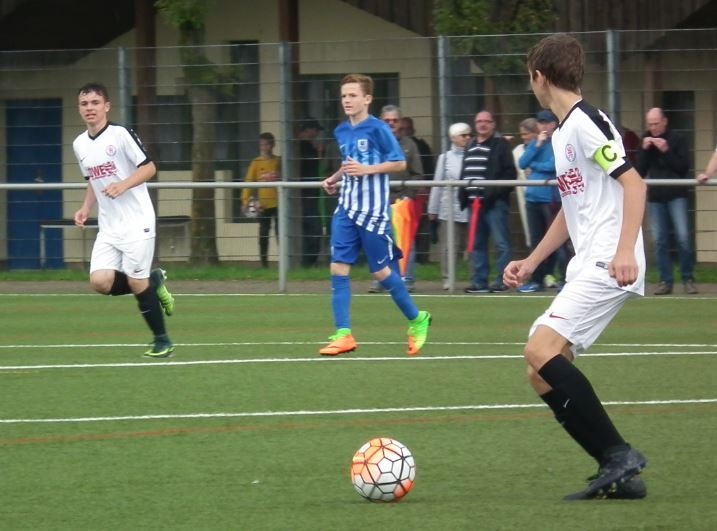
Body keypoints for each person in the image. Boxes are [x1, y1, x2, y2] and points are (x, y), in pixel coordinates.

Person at [503, 33, 648, 501]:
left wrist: (625, 251)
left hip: (608, 260)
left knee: (538, 348)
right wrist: (532, 261)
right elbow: (571, 209)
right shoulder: (564, 132)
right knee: (541, 370)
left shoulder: (586, 123)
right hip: (591, 261)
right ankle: (616, 467)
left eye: (530, 77)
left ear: (540, 77)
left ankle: (619, 454)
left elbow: (634, 185)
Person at [319, 73, 431, 357]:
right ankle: (343, 334)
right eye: (344, 95)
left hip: (372, 212)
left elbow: (399, 163)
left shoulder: (378, 129)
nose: (347, 100)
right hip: (346, 208)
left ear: (367, 99)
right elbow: (349, 163)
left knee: (381, 272)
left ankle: (417, 318)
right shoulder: (341, 131)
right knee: (338, 268)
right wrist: (334, 178)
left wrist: (368, 170)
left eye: (353, 95)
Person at [72, 82, 175, 358]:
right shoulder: (80, 144)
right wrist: (85, 208)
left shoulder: (120, 135)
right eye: (84, 104)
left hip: (137, 221)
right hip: (109, 225)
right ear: (79, 109)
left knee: (136, 282)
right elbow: (92, 180)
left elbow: (149, 168)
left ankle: (162, 340)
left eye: (95, 103)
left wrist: (123, 185)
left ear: (106, 106)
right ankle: (153, 282)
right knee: (100, 282)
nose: (90, 108)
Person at [635, 107, 697, 295]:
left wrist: (666, 150)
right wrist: (644, 150)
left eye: (656, 124)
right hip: (655, 197)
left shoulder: (677, 139)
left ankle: (687, 279)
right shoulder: (645, 139)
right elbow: (639, 171)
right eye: (650, 124)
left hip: (677, 195)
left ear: (664, 121)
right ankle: (665, 281)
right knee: (659, 240)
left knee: (683, 238)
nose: (653, 128)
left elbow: (683, 167)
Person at [368, 105, 423, 293]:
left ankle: (406, 279)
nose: (391, 124)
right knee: (376, 241)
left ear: (400, 123)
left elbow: (417, 174)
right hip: (377, 200)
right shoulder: (372, 144)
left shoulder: (410, 145)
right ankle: (380, 280)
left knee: (405, 241)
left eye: (395, 120)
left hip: (401, 200)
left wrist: (408, 196)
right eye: (387, 120)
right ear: (380, 121)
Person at [460, 110, 516, 293]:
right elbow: (465, 171)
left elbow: (510, 174)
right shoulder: (470, 144)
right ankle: (479, 282)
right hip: (473, 204)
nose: (482, 124)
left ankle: (503, 280)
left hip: (494, 204)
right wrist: (463, 195)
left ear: (493, 124)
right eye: (479, 121)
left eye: (486, 121)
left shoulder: (501, 145)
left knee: (501, 243)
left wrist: (493, 193)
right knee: (477, 244)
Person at [517, 110, 568, 293]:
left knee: (559, 242)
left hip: (551, 200)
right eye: (541, 122)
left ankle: (566, 279)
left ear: (554, 124)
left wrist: (535, 165)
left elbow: (554, 166)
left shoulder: (559, 141)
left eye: (547, 122)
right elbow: (522, 163)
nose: (544, 126)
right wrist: (536, 146)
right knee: (536, 241)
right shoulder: (535, 143)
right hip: (533, 198)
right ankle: (537, 280)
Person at [427, 122, 471, 290]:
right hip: (449, 208)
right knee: (449, 247)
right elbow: (437, 184)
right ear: (453, 138)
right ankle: (447, 278)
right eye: (463, 135)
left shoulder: (473, 154)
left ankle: (475, 278)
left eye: (469, 135)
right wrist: (433, 209)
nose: (467, 138)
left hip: (470, 208)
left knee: (471, 246)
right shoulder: (445, 158)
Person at [241, 132, 280, 268]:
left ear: (272, 145)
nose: (264, 147)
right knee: (263, 234)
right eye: (261, 145)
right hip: (263, 204)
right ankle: (264, 263)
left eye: (266, 144)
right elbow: (249, 181)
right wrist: (245, 200)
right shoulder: (256, 163)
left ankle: (284, 262)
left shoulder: (278, 161)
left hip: (278, 203)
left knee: (280, 233)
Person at [401, 116, 435, 265]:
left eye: (408, 128)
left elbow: (428, 168)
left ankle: (422, 258)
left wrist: (426, 187)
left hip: (420, 191)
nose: (405, 131)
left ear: (413, 130)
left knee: (421, 226)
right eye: (403, 128)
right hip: (399, 193)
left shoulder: (421, 146)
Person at [298, 118, 325, 267]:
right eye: (315, 130)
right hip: (306, 194)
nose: (316, 134)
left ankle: (308, 262)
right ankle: (308, 262)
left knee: (312, 228)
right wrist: (318, 152)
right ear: (308, 130)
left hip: (311, 193)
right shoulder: (303, 147)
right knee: (314, 228)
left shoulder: (307, 147)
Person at [513, 117, 539, 251]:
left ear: (536, 132)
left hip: (546, 197)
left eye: (526, 134)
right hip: (526, 197)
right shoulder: (517, 151)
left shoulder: (546, 148)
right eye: (521, 134)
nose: (523, 137)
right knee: (532, 233)